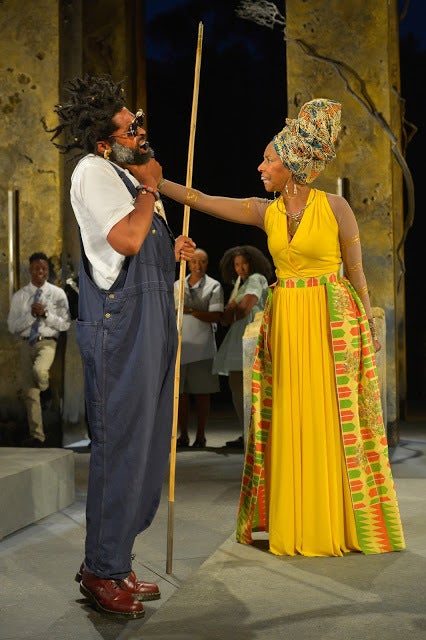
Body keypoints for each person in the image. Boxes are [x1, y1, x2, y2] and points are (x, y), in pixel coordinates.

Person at [141, 97, 405, 557]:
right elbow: (203, 201)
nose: (260, 167)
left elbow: (357, 272)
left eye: (268, 159)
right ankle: (293, 518)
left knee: (331, 417)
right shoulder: (266, 211)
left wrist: (366, 320)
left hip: (331, 318)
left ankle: (332, 519)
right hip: (287, 321)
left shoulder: (336, 207)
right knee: (289, 414)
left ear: (293, 163)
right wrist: (158, 182)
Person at [50, 74, 195, 619]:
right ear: (104, 143)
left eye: (139, 122)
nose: (141, 132)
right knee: (121, 447)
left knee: (150, 446)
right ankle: (101, 569)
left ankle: (116, 559)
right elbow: (127, 240)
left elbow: (141, 245)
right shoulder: (94, 172)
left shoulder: (127, 177)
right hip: (122, 322)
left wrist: (171, 248)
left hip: (153, 316)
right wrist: (152, 188)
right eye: (130, 129)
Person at [7, 252, 71, 447]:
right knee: (30, 393)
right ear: (30, 270)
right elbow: (12, 326)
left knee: (39, 371)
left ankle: (46, 391)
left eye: (44, 268)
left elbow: (65, 324)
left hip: (47, 343)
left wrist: (45, 314)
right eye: (36, 268)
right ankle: (38, 436)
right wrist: (32, 316)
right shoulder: (20, 296)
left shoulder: (57, 294)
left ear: (47, 270)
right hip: (26, 344)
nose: (40, 272)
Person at [213, 246, 272, 449]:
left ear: (253, 263)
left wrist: (232, 309)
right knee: (238, 385)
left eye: (244, 263)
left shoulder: (256, 279)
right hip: (240, 337)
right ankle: (247, 433)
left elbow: (244, 309)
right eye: (237, 265)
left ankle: (254, 435)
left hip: (251, 336)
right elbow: (226, 319)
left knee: (248, 387)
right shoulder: (240, 284)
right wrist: (231, 311)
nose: (241, 268)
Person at [175, 248, 224, 448]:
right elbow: (172, 311)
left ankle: (201, 435)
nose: (197, 265)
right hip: (181, 347)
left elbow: (215, 315)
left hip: (202, 348)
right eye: (194, 261)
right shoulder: (178, 285)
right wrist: (193, 311)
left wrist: (189, 310)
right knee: (181, 395)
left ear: (207, 264)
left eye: (202, 261)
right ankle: (183, 435)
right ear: (188, 264)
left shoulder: (213, 285)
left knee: (202, 394)